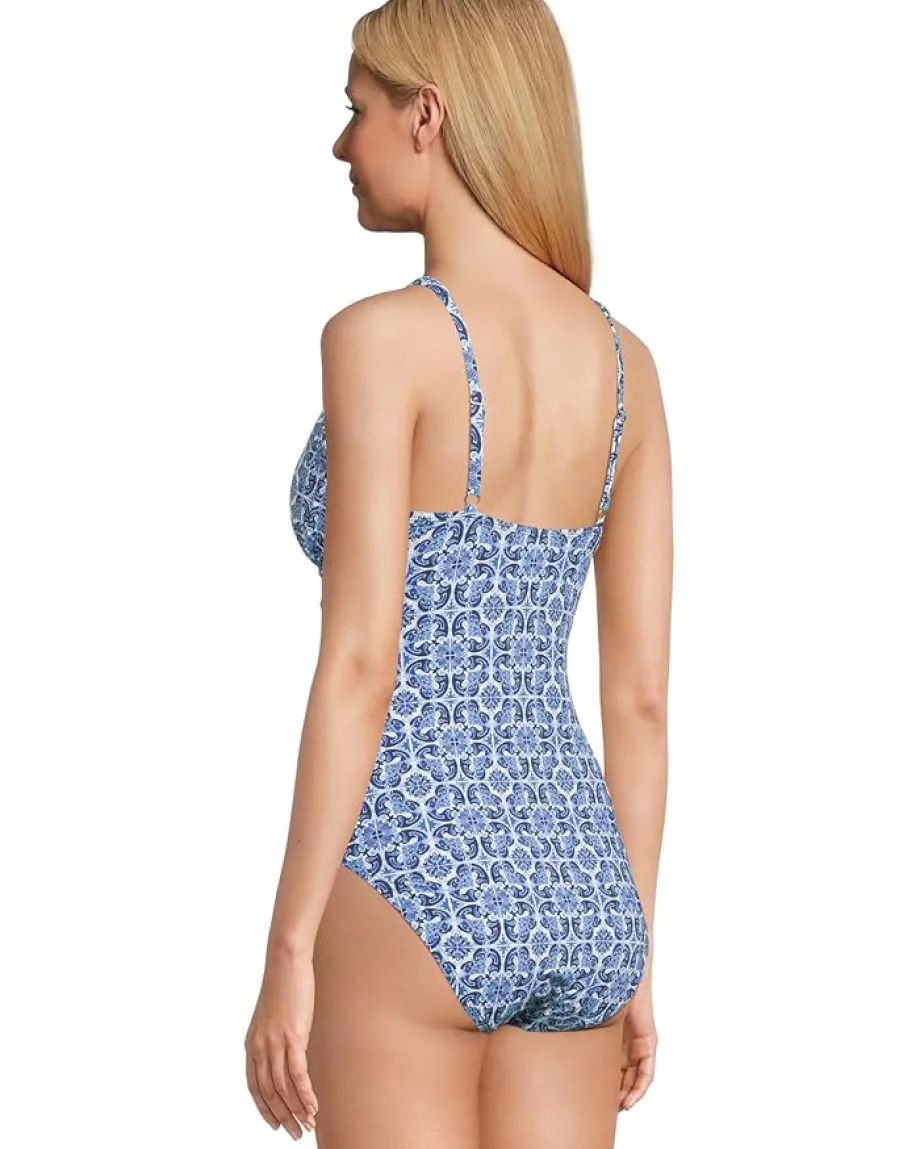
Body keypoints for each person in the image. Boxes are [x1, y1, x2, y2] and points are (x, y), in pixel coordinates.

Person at [244, 1, 671, 1144]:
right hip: (579, 877)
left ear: (425, 115)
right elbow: (638, 700)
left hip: (410, 857)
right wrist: (633, 946)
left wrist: (288, 948)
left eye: (356, 109)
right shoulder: (626, 365)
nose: (342, 144)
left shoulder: (379, 339)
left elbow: (362, 663)